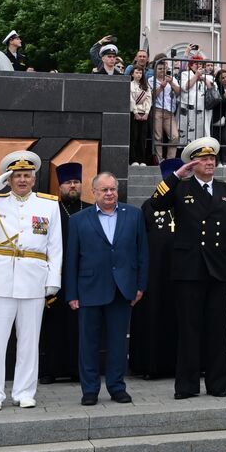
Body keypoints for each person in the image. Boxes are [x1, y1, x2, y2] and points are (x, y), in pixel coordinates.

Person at [0, 151, 63, 410]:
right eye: (16, 176)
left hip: (34, 278)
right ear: (9, 178)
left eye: (27, 175)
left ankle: (25, 391)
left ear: (34, 178)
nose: (22, 180)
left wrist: (54, 279)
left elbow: (56, 246)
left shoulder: (48, 205)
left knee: (29, 340)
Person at [149, 137, 226, 398]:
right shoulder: (181, 187)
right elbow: (155, 203)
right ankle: (187, 385)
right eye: (204, 159)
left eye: (212, 158)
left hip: (218, 268)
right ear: (194, 163)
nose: (210, 162)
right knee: (189, 329)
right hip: (189, 268)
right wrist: (176, 176)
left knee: (217, 328)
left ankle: (217, 382)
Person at [65, 171, 146, 405]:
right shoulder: (78, 220)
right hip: (89, 289)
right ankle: (89, 390)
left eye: (113, 189)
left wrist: (140, 285)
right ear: (94, 192)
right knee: (88, 342)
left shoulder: (134, 215)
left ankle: (116, 387)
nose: (109, 193)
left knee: (118, 343)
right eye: (104, 190)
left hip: (122, 289)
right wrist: (71, 293)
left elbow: (142, 253)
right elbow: (72, 260)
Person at [129, 159, 183, 380]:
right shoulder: (149, 205)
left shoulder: (190, 203)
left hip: (183, 273)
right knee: (154, 319)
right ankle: (150, 366)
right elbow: (139, 242)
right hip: (155, 275)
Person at [40, 162, 91, 384]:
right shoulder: (50, 212)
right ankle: (51, 370)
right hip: (56, 276)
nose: (73, 186)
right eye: (68, 183)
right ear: (60, 187)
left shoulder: (90, 210)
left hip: (83, 277)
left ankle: (77, 370)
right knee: (54, 324)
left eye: (76, 182)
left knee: (81, 326)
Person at [150, 57, 183, 160]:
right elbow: (151, 95)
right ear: (155, 70)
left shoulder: (171, 78)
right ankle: (159, 159)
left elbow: (179, 92)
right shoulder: (151, 80)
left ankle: (170, 159)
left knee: (175, 136)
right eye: (160, 69)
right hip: (157, 111)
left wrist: (171, 83)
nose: (162, 71)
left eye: (164, 69)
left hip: (169, 112)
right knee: (158, 137)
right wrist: (161, 87)